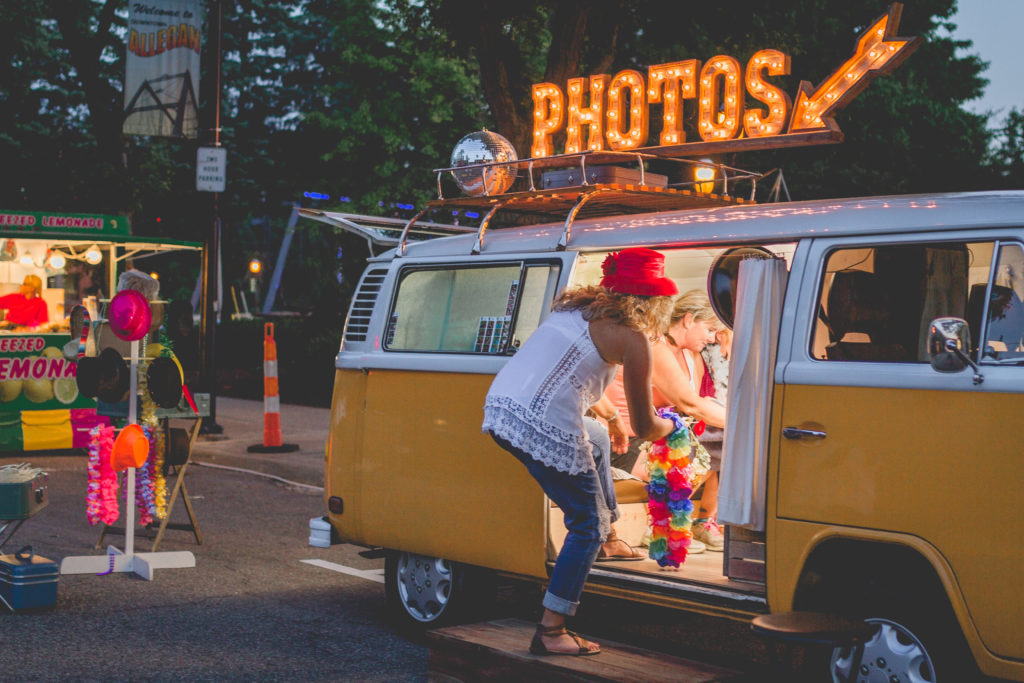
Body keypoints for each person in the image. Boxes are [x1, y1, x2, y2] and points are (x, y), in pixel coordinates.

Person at [482, 247, 677, 657]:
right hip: (542, 422)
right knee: (585, 521)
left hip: (503, 407)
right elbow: (648, 426)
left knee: (598, 437)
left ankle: (610, 538)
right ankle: (551, 630)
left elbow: (567, 376)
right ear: (652, 301)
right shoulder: (633, 339)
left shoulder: (578, 309)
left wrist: (611, 419)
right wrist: (674, 426)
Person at [605, 290, 727, 549]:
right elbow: (690, 404)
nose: (712, 337)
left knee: (720, 442)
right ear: (688, 320)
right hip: (626, 443)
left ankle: (703, 521)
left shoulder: (689, 354)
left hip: (658, 433)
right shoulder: (656, 347)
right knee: (712, 445)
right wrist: (746, 425)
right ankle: (664, 528)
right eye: (709, 329)